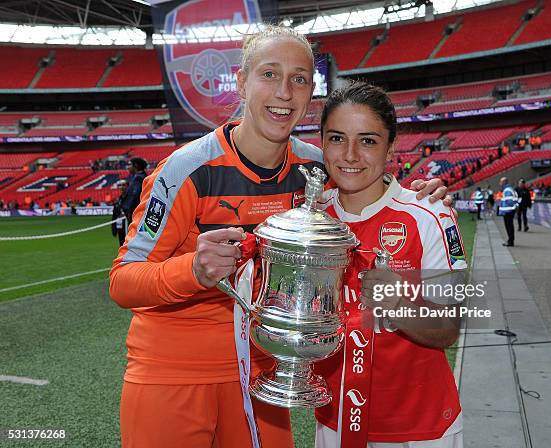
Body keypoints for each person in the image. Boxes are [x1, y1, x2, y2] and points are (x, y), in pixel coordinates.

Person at [108, 26, 451, 448]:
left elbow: (367, 179)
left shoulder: (313, 168)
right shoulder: (185, 169)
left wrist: (421, 193)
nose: (285, 92)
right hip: (174, 372)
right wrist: (192, 270)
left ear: (312, 92)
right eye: (269, 74)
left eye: (300, 79)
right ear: (241, 81)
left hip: (265, 371)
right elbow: (123, 282)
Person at [314, 82, 465, 448]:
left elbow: (449, 328)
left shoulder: (432, 215)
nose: (350, 154)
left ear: (391, 146)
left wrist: (396, 301)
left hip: (422, 430)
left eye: (367, 140)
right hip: (335, 422)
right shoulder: (311, 218)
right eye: (337, 138)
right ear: (322, 143)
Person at [121, 157, 147, 225]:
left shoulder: (138, 178)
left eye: (129, 165)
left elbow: (135, 195)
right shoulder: (143, 176)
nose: (127, 167)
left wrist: (129, 210)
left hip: (136, 214)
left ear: (135, 166)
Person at [499, 176, 518, 246]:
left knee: (509, 226)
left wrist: (509, 209)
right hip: (509, 211)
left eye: (500, 182)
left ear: (504, 182)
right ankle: (510, 240)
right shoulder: (510, 189)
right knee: (510, 226)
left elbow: (509, 201)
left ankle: (510, 241)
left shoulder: (507, 190)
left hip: (508, 211)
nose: (500, 183)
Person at [111, 180, 128, 246]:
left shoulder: (131, 199)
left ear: (127, 186)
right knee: (122, 245)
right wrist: (114, 229)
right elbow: (114, 216)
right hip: (120, 228)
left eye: (123, 185)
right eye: (120, 185)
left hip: (130, 227)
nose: (121, 187)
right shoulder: (118, 201)